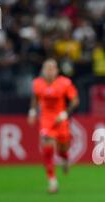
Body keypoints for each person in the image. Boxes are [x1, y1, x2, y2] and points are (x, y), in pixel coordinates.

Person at [28, 59, 79, 193]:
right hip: (46, 119)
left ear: (56, 70)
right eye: (47, 69)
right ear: (43, 71)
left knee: (62, 149)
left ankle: (65, 158)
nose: (49, 71)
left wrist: (65, 113)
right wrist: (32, 112)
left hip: (60, 119)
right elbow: (35, 98)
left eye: (52, 68)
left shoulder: (65, 83)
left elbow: (75, 100)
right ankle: (52, 182)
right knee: (48, 149)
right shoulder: (37, 83)